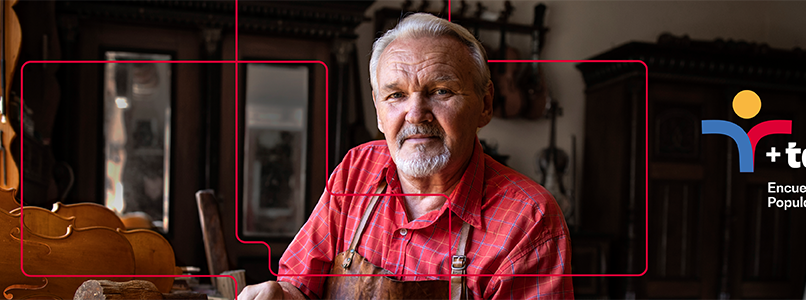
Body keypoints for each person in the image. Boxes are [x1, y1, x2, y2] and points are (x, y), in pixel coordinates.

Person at [238, 13, 572, 300]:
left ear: (484, 104)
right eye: (396, 95)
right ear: (378, 111)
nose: (415, 114)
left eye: (440, 91)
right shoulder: (357, 170)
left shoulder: (528, 220)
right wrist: (280, 295)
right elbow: (300, 285)